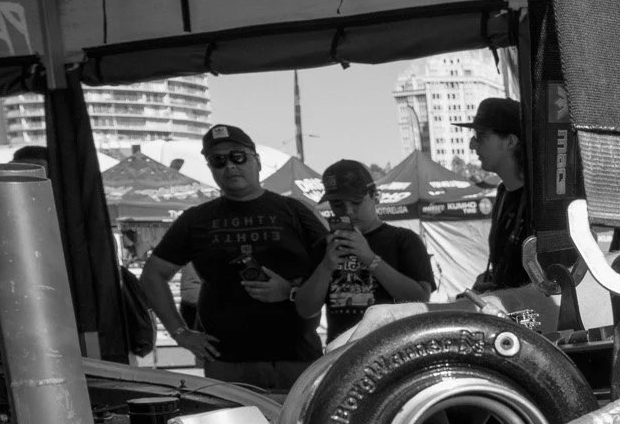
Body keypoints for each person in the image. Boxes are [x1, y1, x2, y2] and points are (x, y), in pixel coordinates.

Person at [138, 125, 325, 390]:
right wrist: (180, 334)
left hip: (297, 359)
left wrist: (290, 290)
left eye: (238, 156)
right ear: (211, 168)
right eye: (218, 161)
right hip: (227, 363)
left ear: (257, 161)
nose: (230, 166)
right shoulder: (196, 219)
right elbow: (153, 275)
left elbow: (332, 268)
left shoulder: (294, 210)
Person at [294, 159, 435, 342]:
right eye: (338, 205)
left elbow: (420, 299)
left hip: (395, 347)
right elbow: (305, 310)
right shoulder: (325, 246)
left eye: (356, 202)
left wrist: (370, 258)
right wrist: (326, 267)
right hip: (343, 351)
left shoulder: (403, 239)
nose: (348, 211)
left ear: (375, 195)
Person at [457, 97, 530, 292]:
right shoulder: (503, 191)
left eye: (480, 135)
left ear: (511, 141)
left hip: (533, 315)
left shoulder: (542, 202)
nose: (473, 145)